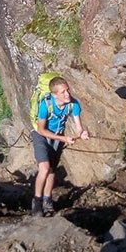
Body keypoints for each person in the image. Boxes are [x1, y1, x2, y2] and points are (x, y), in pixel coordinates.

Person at [31, 76, 89, 217]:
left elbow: (78, 127)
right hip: (41, 136)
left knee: (51, 171)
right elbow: (41, 130)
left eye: (68, 90)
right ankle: (37, 202)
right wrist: (63, 138)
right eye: (63, 92)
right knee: (44, 169)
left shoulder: (73, 104)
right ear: (54, 94)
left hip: (58, 137)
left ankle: (47, 201)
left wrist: (82, 133)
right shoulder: (46, 105)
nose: (67, 94)